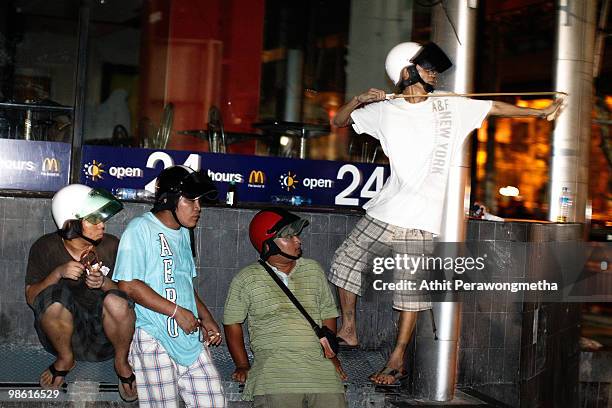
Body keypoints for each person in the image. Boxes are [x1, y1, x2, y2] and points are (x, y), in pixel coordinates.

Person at [328, 41, 565, 386]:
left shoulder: (449, 106)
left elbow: (494, 107)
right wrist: (359, 100)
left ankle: (397, 358)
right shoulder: (385, 110)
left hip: (425, 217)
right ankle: (349, 329)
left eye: (435, 70)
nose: (435, 75)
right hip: (386, 208)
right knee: (344, 260)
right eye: (428, 69)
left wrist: (538, 113)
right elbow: (338, 121)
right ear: (406, 73)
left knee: (410, 291)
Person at [113, 165, 226, 408]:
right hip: (154, 336)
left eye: (199, 201)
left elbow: (184, 282)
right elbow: (127, 284)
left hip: (189, 338)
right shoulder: (139, 228)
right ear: (169, 199)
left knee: (214, 401)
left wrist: (206, 317)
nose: (198, 208)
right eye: (190, 200)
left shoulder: (185, 233)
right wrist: (176, 311)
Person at [223, 208, 347, 408]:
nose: (298, 241)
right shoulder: (246, 278)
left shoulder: (313, 270)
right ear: (268, 245)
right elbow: (232, 323)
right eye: (289, 237)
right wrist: (243, 364)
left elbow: (327, 314)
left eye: (296, 235)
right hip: (274, 371)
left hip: (320, 369)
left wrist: (330, 354)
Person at [25, 184, 138, 402]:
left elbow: (130, 294)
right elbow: (31, 298)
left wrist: (104, 283)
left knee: (117, 300)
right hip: (62, 337)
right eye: (94, 220)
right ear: (71, 223)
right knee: (53, 297)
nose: (102, 225)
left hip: (106, 337)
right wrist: (57, 273)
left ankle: (122, 362)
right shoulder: (45, 247)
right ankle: (65, 359)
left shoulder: (111, 245)